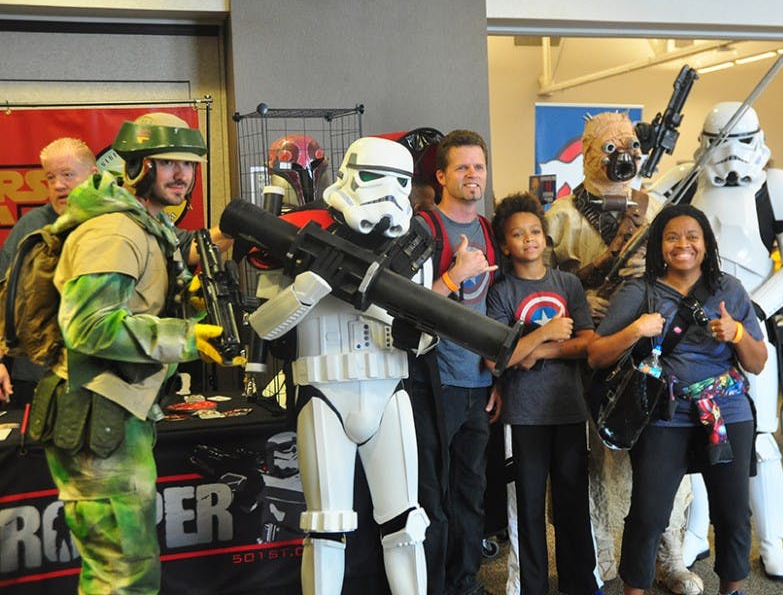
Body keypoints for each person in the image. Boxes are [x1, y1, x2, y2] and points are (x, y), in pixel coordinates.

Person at [30, 113, 229, 593]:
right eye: (168, 163)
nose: (182, 175)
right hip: (98, 412)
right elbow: (88, 326)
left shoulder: (147, 225)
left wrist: (189, 300)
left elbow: (134, 302)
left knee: (123, 568)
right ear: (138, 166)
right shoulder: (113, 231)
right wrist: (183, 337)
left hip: (118, 410)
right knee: (124, 573)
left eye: (189, 164)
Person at [244, 136, 433, 594]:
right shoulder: (300, 238)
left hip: (390, 391)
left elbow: (427, 331)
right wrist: (313, 283)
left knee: (406, 526)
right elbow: (264, 326)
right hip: (324, 393)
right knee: (326, 529)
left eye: (401, 182)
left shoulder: (410, 249)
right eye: (374, 176)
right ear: (348, 173)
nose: (388, 192)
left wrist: (416, 335)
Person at [647, 102, 783, 581]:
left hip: (750, 323)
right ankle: (696, 533)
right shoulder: (682, 179)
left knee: (757, 439)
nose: (730, 155)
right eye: (719, 141)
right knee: (693, 435)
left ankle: (771, 540)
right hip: (686, 336)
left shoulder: (779, 187)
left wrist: (751, 312)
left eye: (740, 140)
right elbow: (650, 225)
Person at [544, 112, 695, 593]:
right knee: (595, 458)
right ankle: (603, 558)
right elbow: (549, 283)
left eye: (630, 144)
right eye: (610, 147)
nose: (623, 155)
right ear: (587, 152)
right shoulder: (562, 216)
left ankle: (668, 555)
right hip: (593, 348)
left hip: (651, 344)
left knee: (664, 457)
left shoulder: (652, 209)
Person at [587, 203, 766, 595]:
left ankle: (731, 589)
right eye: (672, 237)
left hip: (727, 412)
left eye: (692, 237)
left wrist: (736, 333)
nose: (682, 244)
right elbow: (597, 355)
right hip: (663, 413)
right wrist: (636, 329)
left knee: (734, 513)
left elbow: (757, 363)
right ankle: (634, 589)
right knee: (649, 515)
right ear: (659, 245)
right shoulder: (640, 291)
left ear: (706, 243)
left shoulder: (729, 290)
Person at [485, 192, 599, 595]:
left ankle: (581, 583)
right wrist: (547, 333)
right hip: (523, 415)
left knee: (572, 502)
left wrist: (533, 350)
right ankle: (531, 585)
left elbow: (586, 341)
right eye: (518, 234)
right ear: (505, 244)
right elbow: (495, 360)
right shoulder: (501, 292)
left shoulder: (566, 283)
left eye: (535, 231)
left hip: (568, 409)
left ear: (545, 237)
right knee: (527, 506)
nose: (529, 239)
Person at [407, 129, 501, 595]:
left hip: (477, 384)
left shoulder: (486, 228)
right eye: (462, 167)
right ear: (441, 175)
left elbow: (492, 307)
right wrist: (453, 275)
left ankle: (465, 583)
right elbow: (401, 303)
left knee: (471, 491)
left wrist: (496, 372)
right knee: (432, 495)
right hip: (433, 382)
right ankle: (432, 586)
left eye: (478, 167)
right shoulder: (423, 227)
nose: (472, 175)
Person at [0, 138, 98, 407]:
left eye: (67, 175)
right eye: (50, 177)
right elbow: (2, 298)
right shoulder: (31, 228)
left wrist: (225, 231)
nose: (58, 185)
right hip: (37, 377)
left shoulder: (117, 223)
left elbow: (185, 249)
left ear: (93, 175)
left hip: (105, 379)